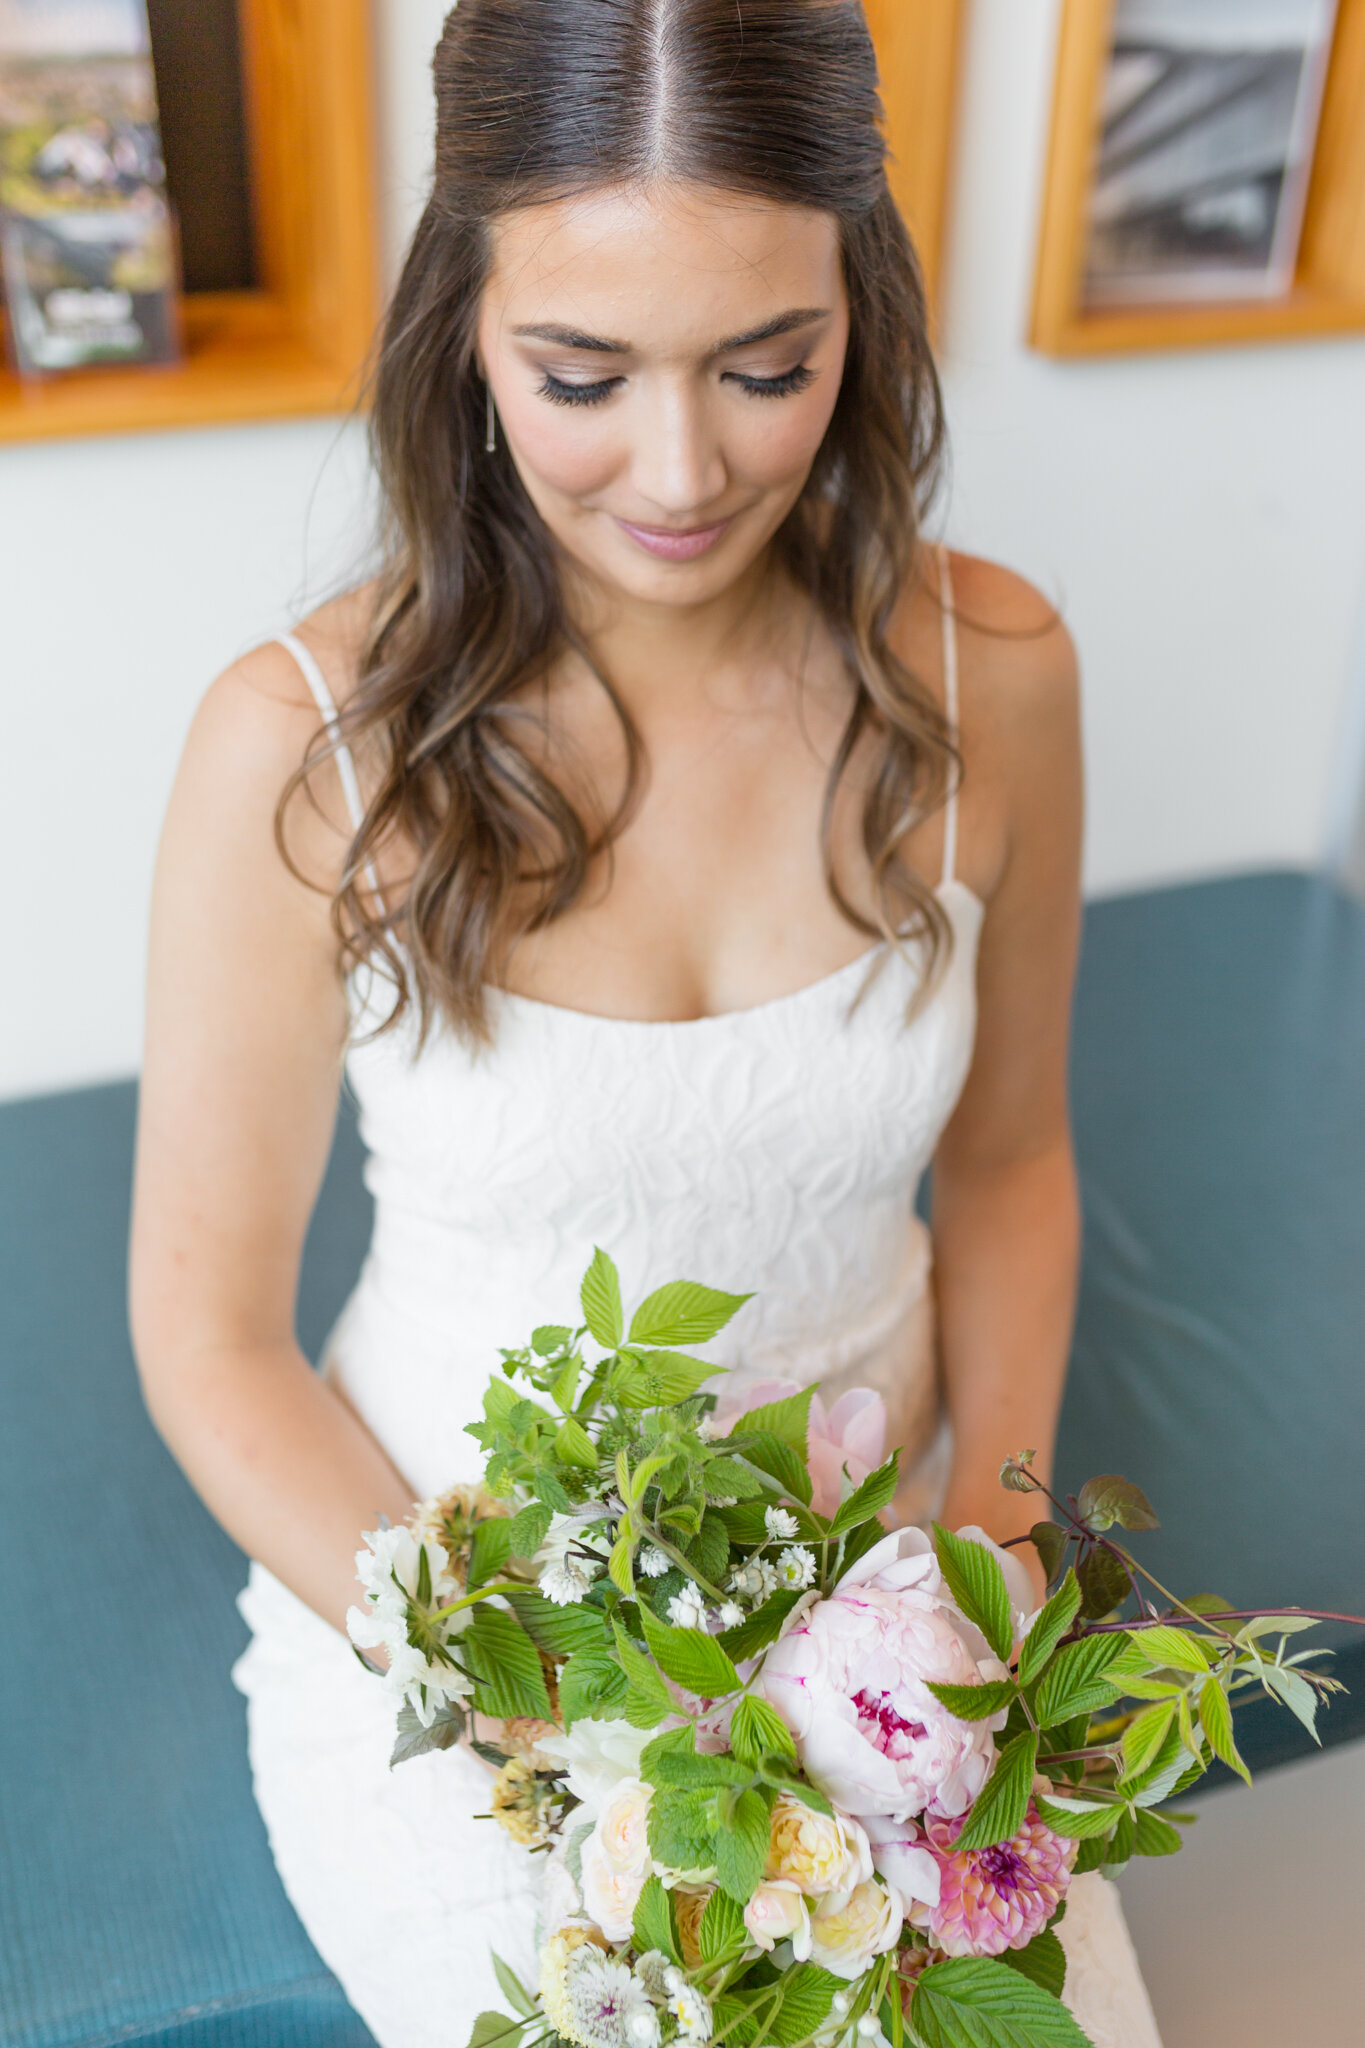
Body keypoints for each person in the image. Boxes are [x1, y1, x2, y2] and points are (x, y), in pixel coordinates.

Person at [130, 4, 1163, 2044]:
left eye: (766, 368)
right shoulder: (308, 749)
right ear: (464, 328)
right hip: (451, 1607)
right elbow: (208, 1334)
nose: (683, 473)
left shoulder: (994, 677)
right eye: (580, 377)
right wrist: (540, 1707)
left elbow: (1012, 1161)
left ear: (857, 303)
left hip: (885, 1595)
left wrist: (983, 1567)